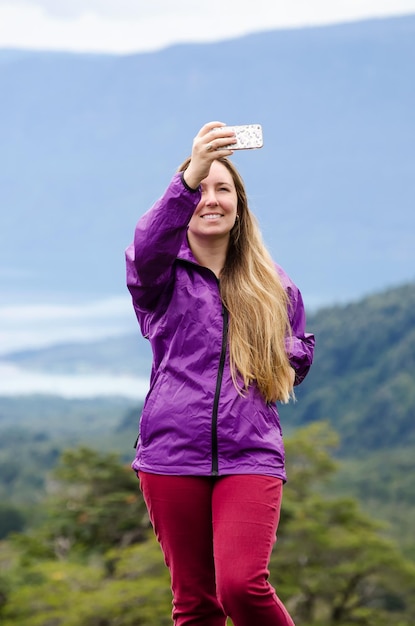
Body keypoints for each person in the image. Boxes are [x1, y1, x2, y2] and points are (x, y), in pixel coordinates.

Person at [125, 121, 315, 626]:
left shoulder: (275, 286)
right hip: (170, 454)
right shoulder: (159, 277)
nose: (210, 199)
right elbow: (147, 242)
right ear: (182, 205)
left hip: (249, 453)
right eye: (200, 189)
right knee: (195, 605)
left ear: (239, 206)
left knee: (241, 587)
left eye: (222, 189)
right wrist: (193, 171)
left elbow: (292, 359)